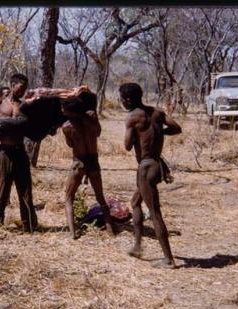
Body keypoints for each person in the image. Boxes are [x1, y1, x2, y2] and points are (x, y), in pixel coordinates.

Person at [119, 82, 182, 268]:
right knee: (135, 203)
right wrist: (158, 132)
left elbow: (127, 145)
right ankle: (138, 245)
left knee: (155, 213)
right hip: (157, 165)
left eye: (122, 99)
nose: (122, 102)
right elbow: (177, 128)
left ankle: (169, 259)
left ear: (128, 99)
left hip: (145, 168)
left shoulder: (132, 117)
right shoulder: (157, 113)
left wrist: (136, 132)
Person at [0, 74, 38, 231]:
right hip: (3, 152)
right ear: (12, 85)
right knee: (3, 191)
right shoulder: (0, 102)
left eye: (25, 89)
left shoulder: (24, 105)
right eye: (20, 88)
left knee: (25, 190)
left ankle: (29, 225)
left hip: (20, 152)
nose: (22, 91)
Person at [60, 92, 116, 239]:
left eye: (64, 108)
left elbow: (71, 144)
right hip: (94, 161)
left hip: (79, 162)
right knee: (100, 197)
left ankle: (72, 233)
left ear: (70, 111)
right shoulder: (91, 117)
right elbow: (97, 133)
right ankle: (110, 230)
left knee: (68, 198)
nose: (62, 110)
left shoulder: (67, 126)